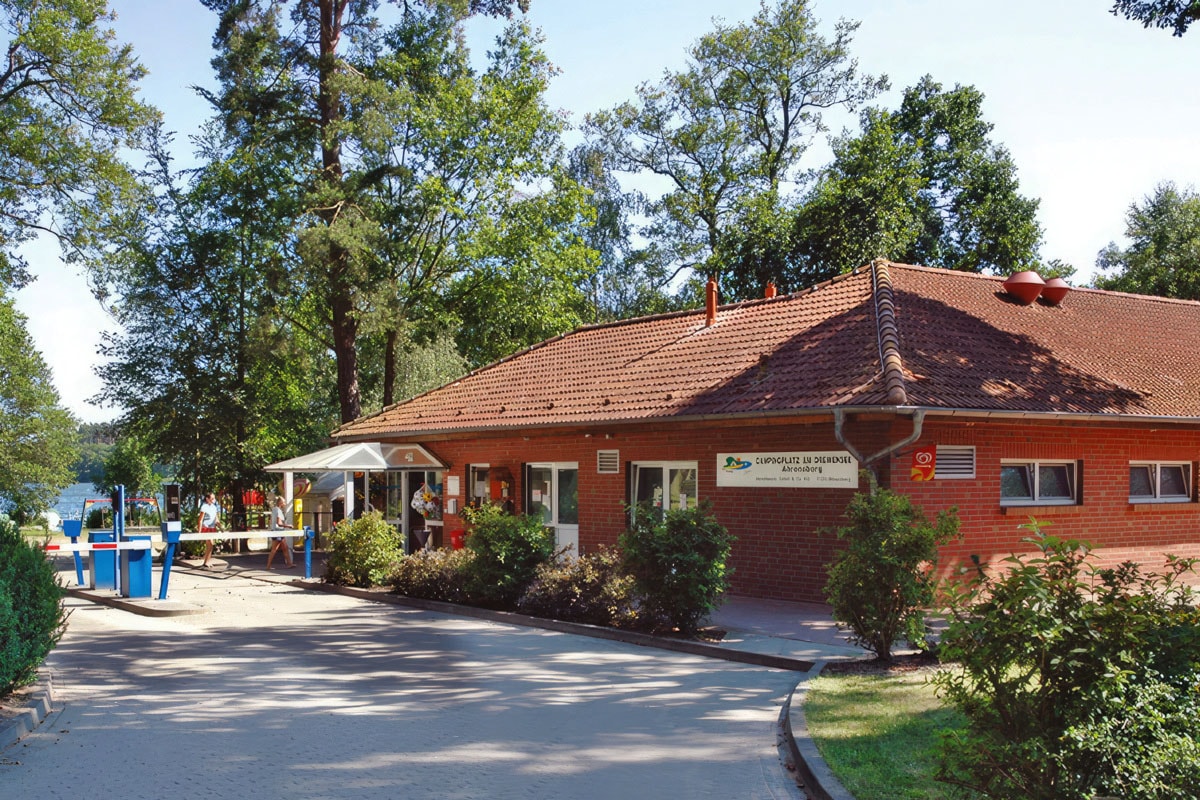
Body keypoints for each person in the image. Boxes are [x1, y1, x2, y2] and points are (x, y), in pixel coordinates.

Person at [266, 495, 295, 569]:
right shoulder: (278, 511)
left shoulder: (275, 510)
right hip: (278, 532)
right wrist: (288, 526)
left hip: (279, 532)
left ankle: (289, 564)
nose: (285, 503)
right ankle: (268, 566)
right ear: (280, 503)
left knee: (285, 548)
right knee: (274, 549)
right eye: (284, 502)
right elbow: (279, 523)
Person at [198, 492, 222, 568]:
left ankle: (207, 561)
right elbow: (200, 520)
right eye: (212, 498)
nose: (213, 500)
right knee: (210, 544)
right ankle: (206, 562)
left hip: (212, 528)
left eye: (214, 498)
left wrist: (221, 529)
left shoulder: (214, 507)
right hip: (206, 528)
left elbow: (216, 519)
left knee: (211, 545)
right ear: (207, 499)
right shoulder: (204, 507)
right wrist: (199, 531)